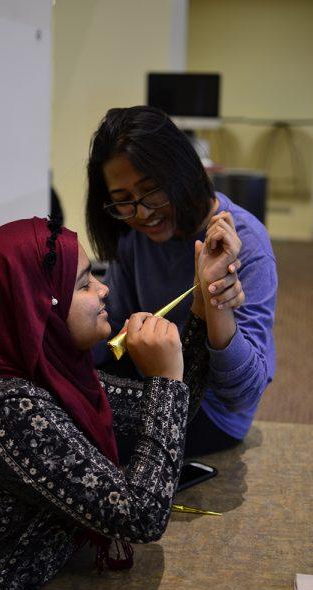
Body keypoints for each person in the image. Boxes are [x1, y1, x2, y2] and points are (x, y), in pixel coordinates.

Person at [0, 215, 221, 590]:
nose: (105, 289)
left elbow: (179, 405)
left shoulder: (54, 376)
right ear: (38, 307)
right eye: (83, 284)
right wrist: (165, 379)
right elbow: (141, 516)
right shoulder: (7, 407)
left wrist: (200, 305)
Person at [86, 105, 278, 456]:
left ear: (181, 172)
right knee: (66, 409)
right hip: (155, 382)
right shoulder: (134, 237)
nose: (142, 213)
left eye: (151, 190)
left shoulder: (247, 243)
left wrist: (216, 303)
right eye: (122, 201)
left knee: (94, 441)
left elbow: (241, 395)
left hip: (212, 411)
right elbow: (113, 335)